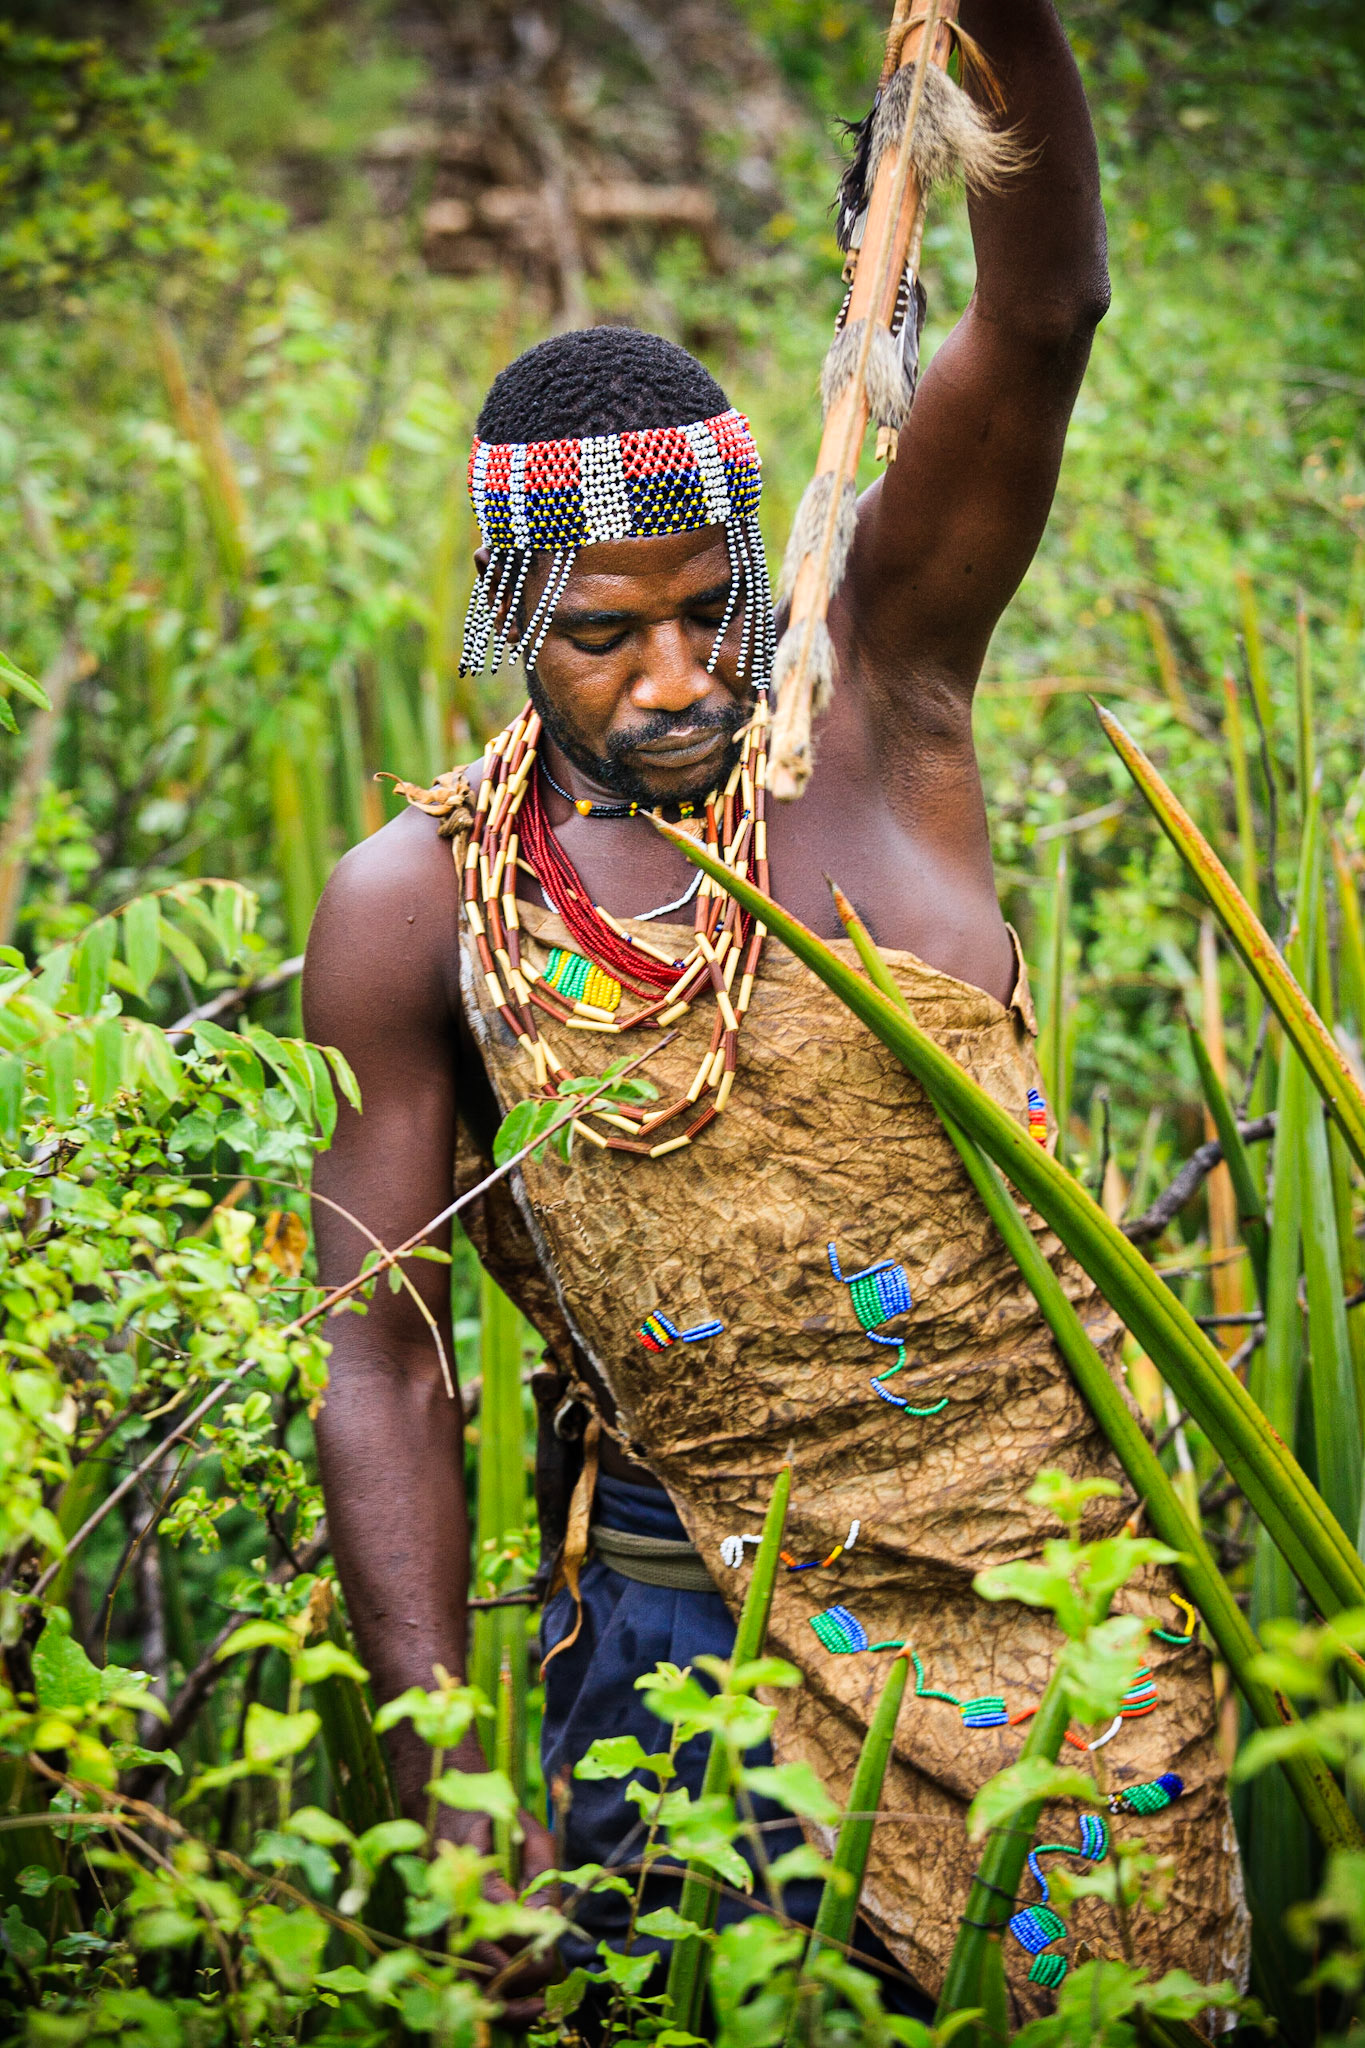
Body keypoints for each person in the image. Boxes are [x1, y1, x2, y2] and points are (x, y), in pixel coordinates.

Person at [304, 0, 1247, 2024]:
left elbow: (1048, 310)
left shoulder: (877, 704)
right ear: (503, 625)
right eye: (596, 636)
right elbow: (375, 1352)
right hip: (671, 1641)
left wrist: (990, 34)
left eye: (702, 608)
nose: (667, 679)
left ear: (764, 564)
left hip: (1050, 1625)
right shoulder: (416, 909)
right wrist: (452, 1788)